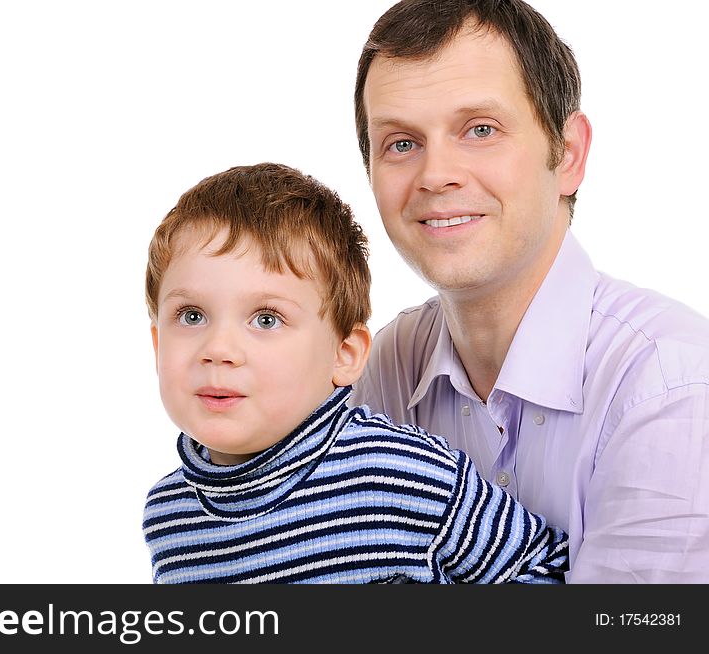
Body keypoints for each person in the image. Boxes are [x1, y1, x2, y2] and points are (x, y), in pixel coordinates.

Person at [350, 0, 709, 582]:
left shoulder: (672, 384)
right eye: (400, 143)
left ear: (567, 154)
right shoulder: (385, 366)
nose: (435, 174)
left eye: (481, 130)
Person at [141, 162, 567, 584]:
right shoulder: (167, 514)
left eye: (266, 319)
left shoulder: (398, 474)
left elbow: (549, 568)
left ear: (344, 354)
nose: (218, 350)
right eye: (192, 315)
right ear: (159, 344)